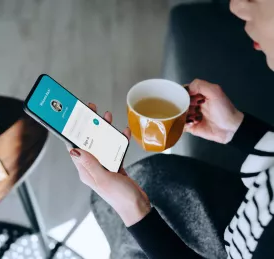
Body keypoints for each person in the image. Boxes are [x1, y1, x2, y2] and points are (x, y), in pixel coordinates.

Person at [68, 0, 274, 258]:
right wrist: (237, 129)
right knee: (153, 175)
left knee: (145, 187)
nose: (235, 7)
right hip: (250, 211)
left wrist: (133, 207)